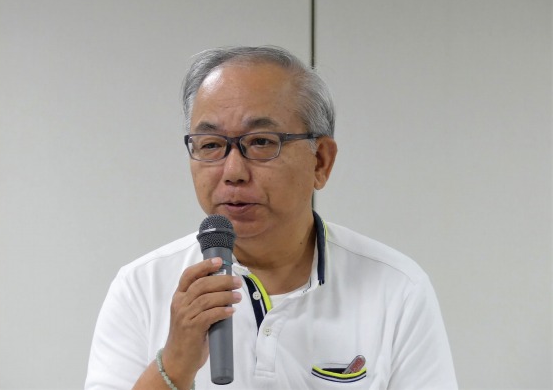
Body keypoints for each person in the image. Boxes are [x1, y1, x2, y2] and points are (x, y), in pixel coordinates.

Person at [85, 46, 457, 390]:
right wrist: (176, 362)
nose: (233, 171)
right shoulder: (142, 287)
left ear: (320, 161)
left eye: (261, 142)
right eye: (211, 145)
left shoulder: (397, 288)